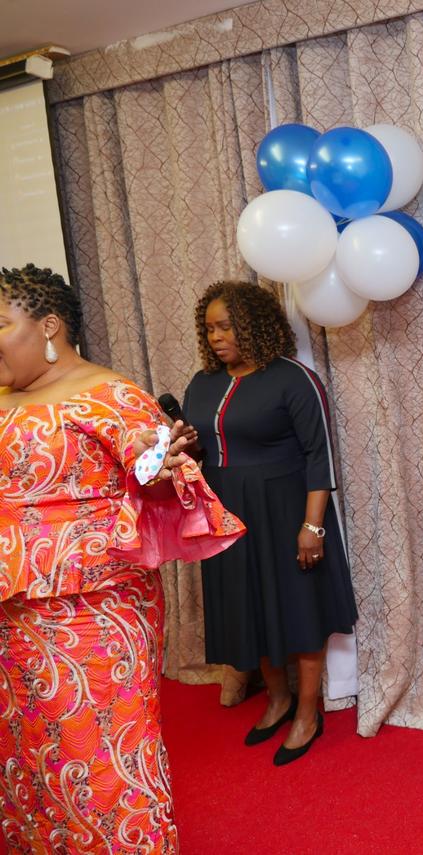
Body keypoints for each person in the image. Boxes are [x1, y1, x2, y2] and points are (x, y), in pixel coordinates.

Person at [0, 264, 244, 852]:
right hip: (10, 610)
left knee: (98, 753)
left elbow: (160, 478)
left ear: (49, 326)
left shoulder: (111, 395)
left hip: (93, 611)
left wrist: (161, 471)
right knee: (28, 752)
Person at [183, 281, 358, 766]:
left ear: (254, 325)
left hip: (284, 510)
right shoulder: (202, 382)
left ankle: (307, 712)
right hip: (227, 513)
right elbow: (205, 451)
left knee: (300, 608)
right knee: (250, 607)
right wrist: (186, 446)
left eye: (226, 327)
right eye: (210, 329)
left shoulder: (293, 379)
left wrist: (313, 527)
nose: (216, 337)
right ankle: (278, 698)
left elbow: (319, 455)